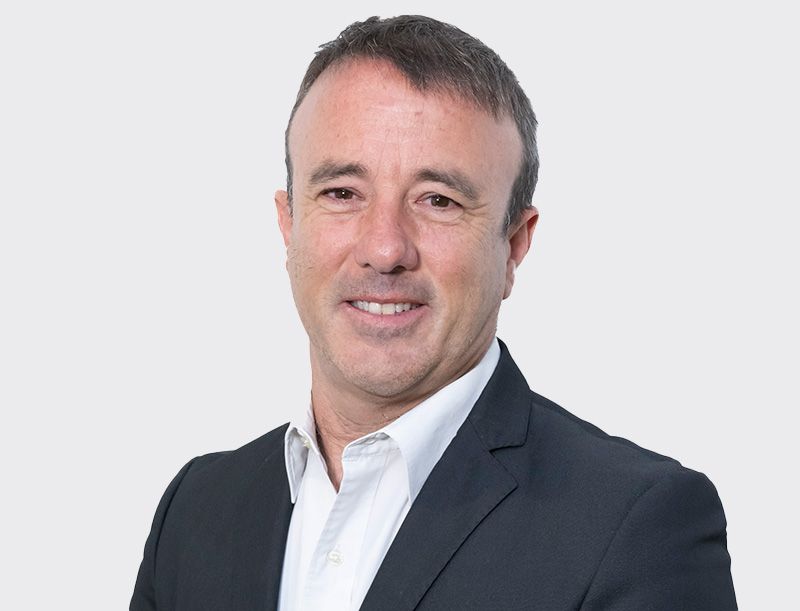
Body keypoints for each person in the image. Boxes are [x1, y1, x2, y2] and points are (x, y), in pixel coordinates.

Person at [130, 15, 737, 611]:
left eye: (438, 201)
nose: (385, 248)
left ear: (514, 245)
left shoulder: (638, 528)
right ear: (289, 225)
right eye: (342, 193)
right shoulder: (196, 511)